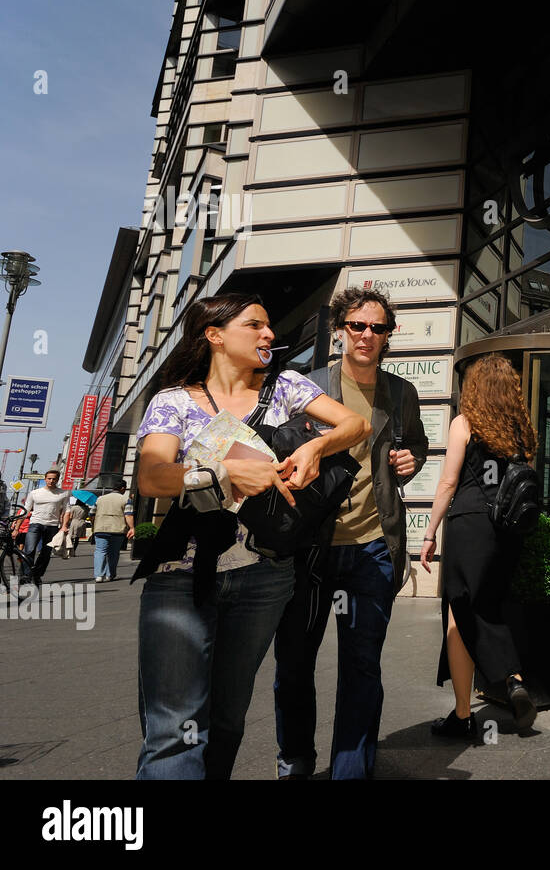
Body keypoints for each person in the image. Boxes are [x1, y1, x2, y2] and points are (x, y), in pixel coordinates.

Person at [134, 293, 369, 780]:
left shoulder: (286, 386)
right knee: (174, 727)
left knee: (226, 718)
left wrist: (317, 449)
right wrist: (223, 474)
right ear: (214, 336)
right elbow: (153, 478)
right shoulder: (173, 399)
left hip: (265, 577)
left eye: (269, 327)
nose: (269, 335)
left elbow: (357, 424)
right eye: (255, 326)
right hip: (182, 574)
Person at [273, 287, 429, 780]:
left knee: (362, 668)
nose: (366, 335)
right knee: (295, 665)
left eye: (377, 328)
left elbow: (417, 445)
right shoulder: (305, 386)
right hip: (310, 547)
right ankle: (296, 761)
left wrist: (411, 460)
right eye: (357, 326)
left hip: (372, 548)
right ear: (340, 329)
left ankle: (350, 771)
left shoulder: (401, 394)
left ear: (388, 336)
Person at [422, 354, 539, 739]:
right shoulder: (520, 431)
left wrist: (429, 532)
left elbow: (448, 483)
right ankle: (515, 680)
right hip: (507, 531)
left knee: (460, 615)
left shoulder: (465, 423)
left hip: (470, 524)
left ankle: (466, 711)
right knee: (488, 606)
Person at [23, 468, 68, 584]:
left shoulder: (63, 493)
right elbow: (26, 510)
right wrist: (16, 527)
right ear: (45, 479)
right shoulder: (35, 493)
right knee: (29, 550)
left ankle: (37, 574)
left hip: (52, 526)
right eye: (49, 478)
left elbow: (67, 511)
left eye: (54, 479)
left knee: (46, 553)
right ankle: (26, 575)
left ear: (57, 480)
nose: (51, 481)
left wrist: (64, 526)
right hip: (35, 524)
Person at [90, 483, 133, 583]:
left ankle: (99, 576)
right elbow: (128, 515)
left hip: (100, 529)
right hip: (117, 529)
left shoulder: (100, 499)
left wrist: (95, 524)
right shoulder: (126, 499)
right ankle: (110, 575)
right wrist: (132, 527)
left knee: (100, 551)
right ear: (123, 488)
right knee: (114, 553)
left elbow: (92, 513)